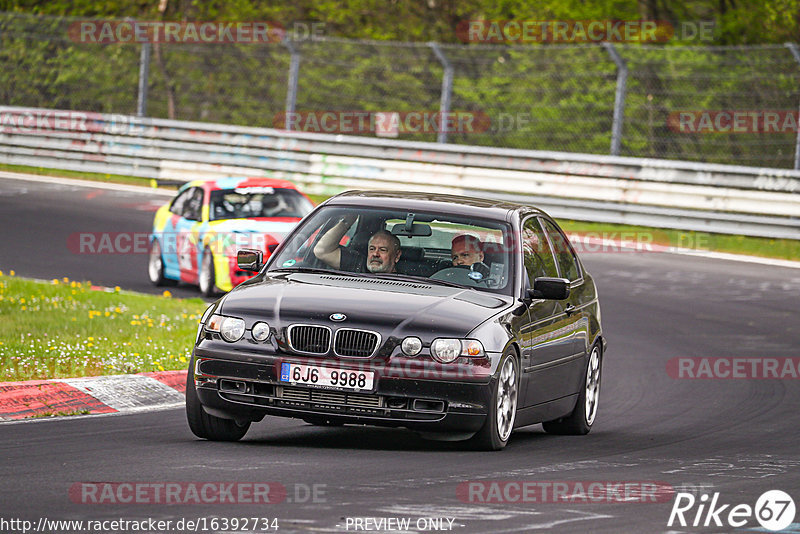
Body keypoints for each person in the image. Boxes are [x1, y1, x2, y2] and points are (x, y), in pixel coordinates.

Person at [313, 215, 402, 273]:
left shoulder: (408, 279)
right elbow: (321, 251)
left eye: (382, 250)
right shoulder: (359, 265)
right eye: (372, 249)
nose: (375, 254)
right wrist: (348, 220)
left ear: (397, 256)